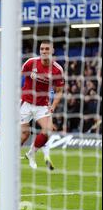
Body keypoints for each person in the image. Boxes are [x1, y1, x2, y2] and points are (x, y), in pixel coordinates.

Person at [20, 40, 64, 170]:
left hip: (42, 105)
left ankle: (31, 153)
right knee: (24, 135)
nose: (44, 51)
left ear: (52, 51)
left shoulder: (57, 70)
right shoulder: (30, 63)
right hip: (25, 103)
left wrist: (53, 106)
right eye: (42, 49)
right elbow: (19, 78)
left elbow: (59, 91)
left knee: (49, 130)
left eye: (47, 49)